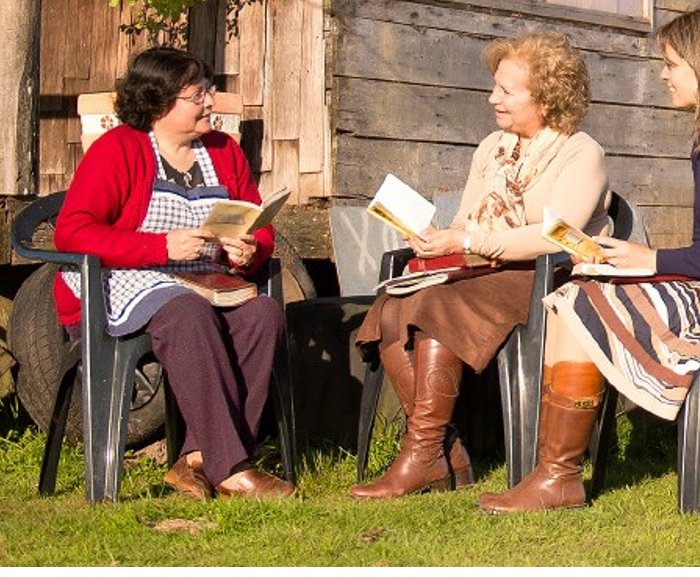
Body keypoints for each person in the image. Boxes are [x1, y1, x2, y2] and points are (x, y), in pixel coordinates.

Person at [477, 6, 700, 514]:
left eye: (672, 63)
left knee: (593, 297)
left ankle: (556, 475)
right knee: (578, 291)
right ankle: (557, 474)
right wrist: (626, 263)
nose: (663, 74)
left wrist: (651, 259)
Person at [350, 30, 611, 500]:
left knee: (438, 305)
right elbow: (467, 220)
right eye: (496, 86)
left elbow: (554, 236)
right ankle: (439, 451)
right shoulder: (492, 147)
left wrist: (470, 239)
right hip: (484, 268)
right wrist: (435, 240)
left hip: (546, 276)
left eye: (507, 90)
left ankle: (426, 453)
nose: (493, 98)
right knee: (393, 305)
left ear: (547, 97)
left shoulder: (580, 152)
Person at [51, 46, 295, 501]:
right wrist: (158, 246)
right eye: (197, 94)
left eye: (208, 90)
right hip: (125, 278)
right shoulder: (118, 149)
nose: (210, 101)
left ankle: (200, 459)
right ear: (159, 102)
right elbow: (72, 232)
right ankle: (235, 469)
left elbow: (259, 226)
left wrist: (246, 250)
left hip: (206, 278)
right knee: (186, 314)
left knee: (264, 315)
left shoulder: (222, 151)